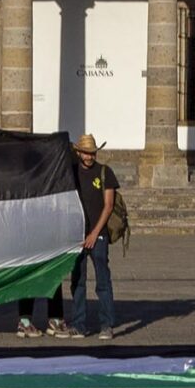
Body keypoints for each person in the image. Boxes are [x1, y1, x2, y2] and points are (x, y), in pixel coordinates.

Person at [68, 131, 117, 340]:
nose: (89, 157)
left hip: (98, 236)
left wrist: (94, 233)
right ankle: (79, 324)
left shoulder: (105, 173)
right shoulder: (71, 173)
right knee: (77, 281)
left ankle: (107, 324)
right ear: (79, 152)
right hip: (77, 236)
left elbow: (108, 206)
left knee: (102, 281)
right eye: (86, 153)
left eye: (92, 153)